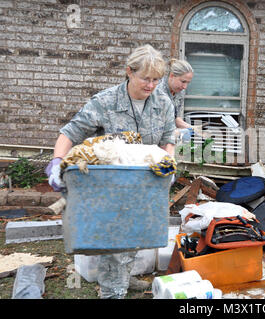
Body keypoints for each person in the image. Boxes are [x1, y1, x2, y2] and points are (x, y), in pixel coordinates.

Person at [45, 44, 176, 299]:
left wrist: (169, 163)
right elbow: (69, 133)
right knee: (116, 240)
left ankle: (124, 278)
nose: (151, 86)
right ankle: (112, 292)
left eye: (156, 80)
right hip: (112, 184)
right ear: (129, 71)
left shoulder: (163, 102)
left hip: (147, 182)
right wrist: (56, 162)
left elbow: (168, 138)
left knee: (138, 234)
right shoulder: (105, 102)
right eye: (145, 79)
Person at [155, 58, 204, 142]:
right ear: (172, 76)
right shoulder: (158, 91)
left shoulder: (180, 92)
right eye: (183, 81)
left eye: (188, 83)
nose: (185, 87)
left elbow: (175, 118)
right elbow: (157, 123)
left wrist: (192, 128)